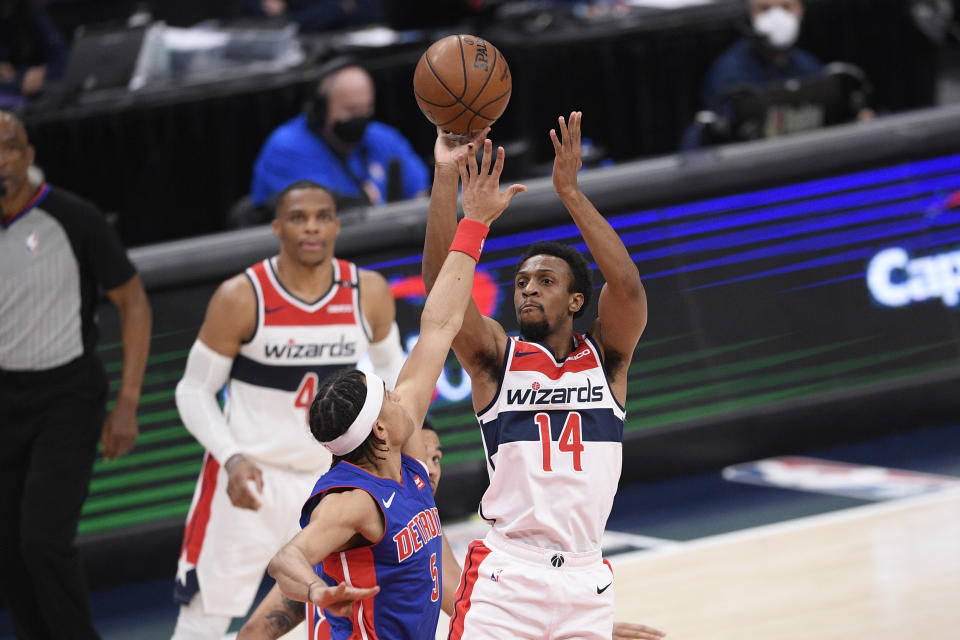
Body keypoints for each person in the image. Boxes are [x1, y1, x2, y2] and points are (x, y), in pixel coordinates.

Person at [265, 138, 524, 639]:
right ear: (381, 430)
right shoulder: (352, 501)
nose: (402, 394)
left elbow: (439, 324)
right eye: (389, 395)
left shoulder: (405, 461)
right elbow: (287, 558)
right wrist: (318, 593)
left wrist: (471, 217)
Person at [421, 112, 648, 639]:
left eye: (545, 281)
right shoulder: (496, 358)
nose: (527, 289)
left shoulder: (606, 357)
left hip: (587, 578)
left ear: (575, 300)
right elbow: (441, 287)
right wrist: (446, 177)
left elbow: (629, 287)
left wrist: (569, 191)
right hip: (506, 577)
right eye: (522, 280)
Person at [170, 179, 407, 639]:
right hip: (247, 480)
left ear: (337, 224)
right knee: (203, 619)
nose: (311, 227)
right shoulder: (242, 295)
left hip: (331, 484)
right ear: (277, 227)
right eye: (298, 218)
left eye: (322, 216)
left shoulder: (368, 291)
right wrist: (231, 457)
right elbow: (193, 391)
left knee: (320, 614)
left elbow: (395, 379)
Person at [239, 419, 666, 640]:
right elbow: (258, 629)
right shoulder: (354, 516)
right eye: (424, 460)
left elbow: (468, 599)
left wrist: (575, 626)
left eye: (439, 457)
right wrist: (317, 592)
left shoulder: (423, 526)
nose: (433, 469)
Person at [0, 111, 151, 639]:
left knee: (42, 538)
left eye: (9, 147)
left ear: (28, 155)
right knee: (8, 548)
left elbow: (133, 303)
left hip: (67, 394)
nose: (0, 160)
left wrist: (128, 403)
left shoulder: (72, 217)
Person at [250, 59, 430, 213]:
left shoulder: (382, 137)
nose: (359, 120)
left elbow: (421, 194)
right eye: (350, 110)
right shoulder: (287, 148)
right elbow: (317, 214)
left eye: (366, 110)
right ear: (320, 111)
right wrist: (361, 202)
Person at [0, 0, 69, 108]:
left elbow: (63, 60)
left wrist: (41, 73)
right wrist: (17, 82)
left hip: (37, 95)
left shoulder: (30, 11)